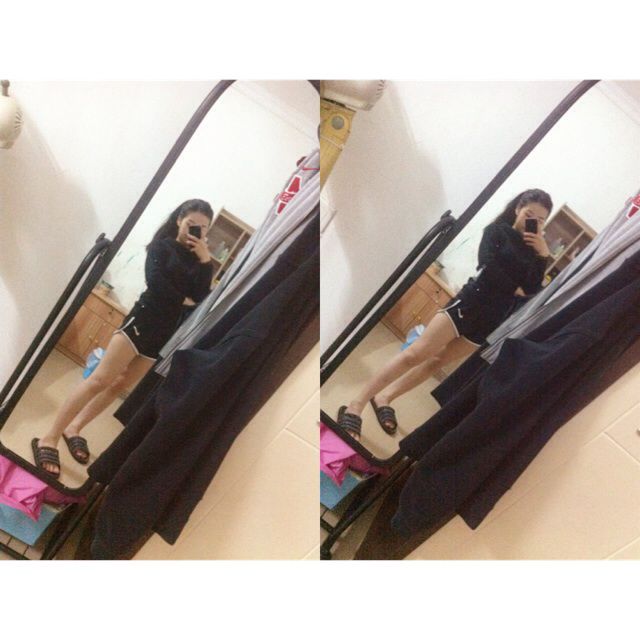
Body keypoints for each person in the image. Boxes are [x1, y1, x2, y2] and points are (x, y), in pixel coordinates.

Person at [337, 188, 553, 440]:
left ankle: (385, 397)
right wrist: (514, 286)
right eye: (529, 214)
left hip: (492, 319)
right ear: (517, 208)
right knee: (415, 354)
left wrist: (544, 256)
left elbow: (531, 289)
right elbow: (487, 266)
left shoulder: (536, 253)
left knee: (436, 363)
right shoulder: (497, 231)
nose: (533, 222)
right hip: (469, 303)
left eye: (540, 220)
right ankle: (356, 405)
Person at [32, 199, 216, 477]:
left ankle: (74, 428)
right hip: (141, 322)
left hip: (163, 334)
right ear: (179, 220)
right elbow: (157, 285)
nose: (196, 231)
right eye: (191, 224)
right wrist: (184, 299)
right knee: (99, 380)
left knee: (119, 386)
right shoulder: (161, 247)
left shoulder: (199, 261)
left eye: (202, 228)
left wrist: (205, 260)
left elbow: (200, 297)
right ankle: (50, 438)